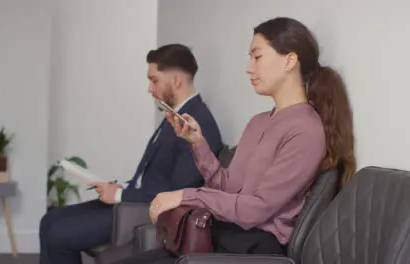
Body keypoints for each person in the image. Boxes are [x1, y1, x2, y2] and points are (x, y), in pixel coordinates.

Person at [112, 17, 356, 264]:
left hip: (251, 250)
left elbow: (255, 209)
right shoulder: (258, 122)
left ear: (290, 61)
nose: (249, 68)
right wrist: (198, 143)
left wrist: (186, 196)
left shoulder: (306, 130)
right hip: (222, 236)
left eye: (257, 57)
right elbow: (227, 189)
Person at [39, 44, 223, 264]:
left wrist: (119, 196)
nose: (149, 88)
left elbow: (177, 192)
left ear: (176, 81)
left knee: (58, 232)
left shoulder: (196, 123)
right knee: (49, 220)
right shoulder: (175, 118)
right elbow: (153, 178)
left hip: (142, 211)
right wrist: (120, 188)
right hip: (134, 200)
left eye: (154, 80)